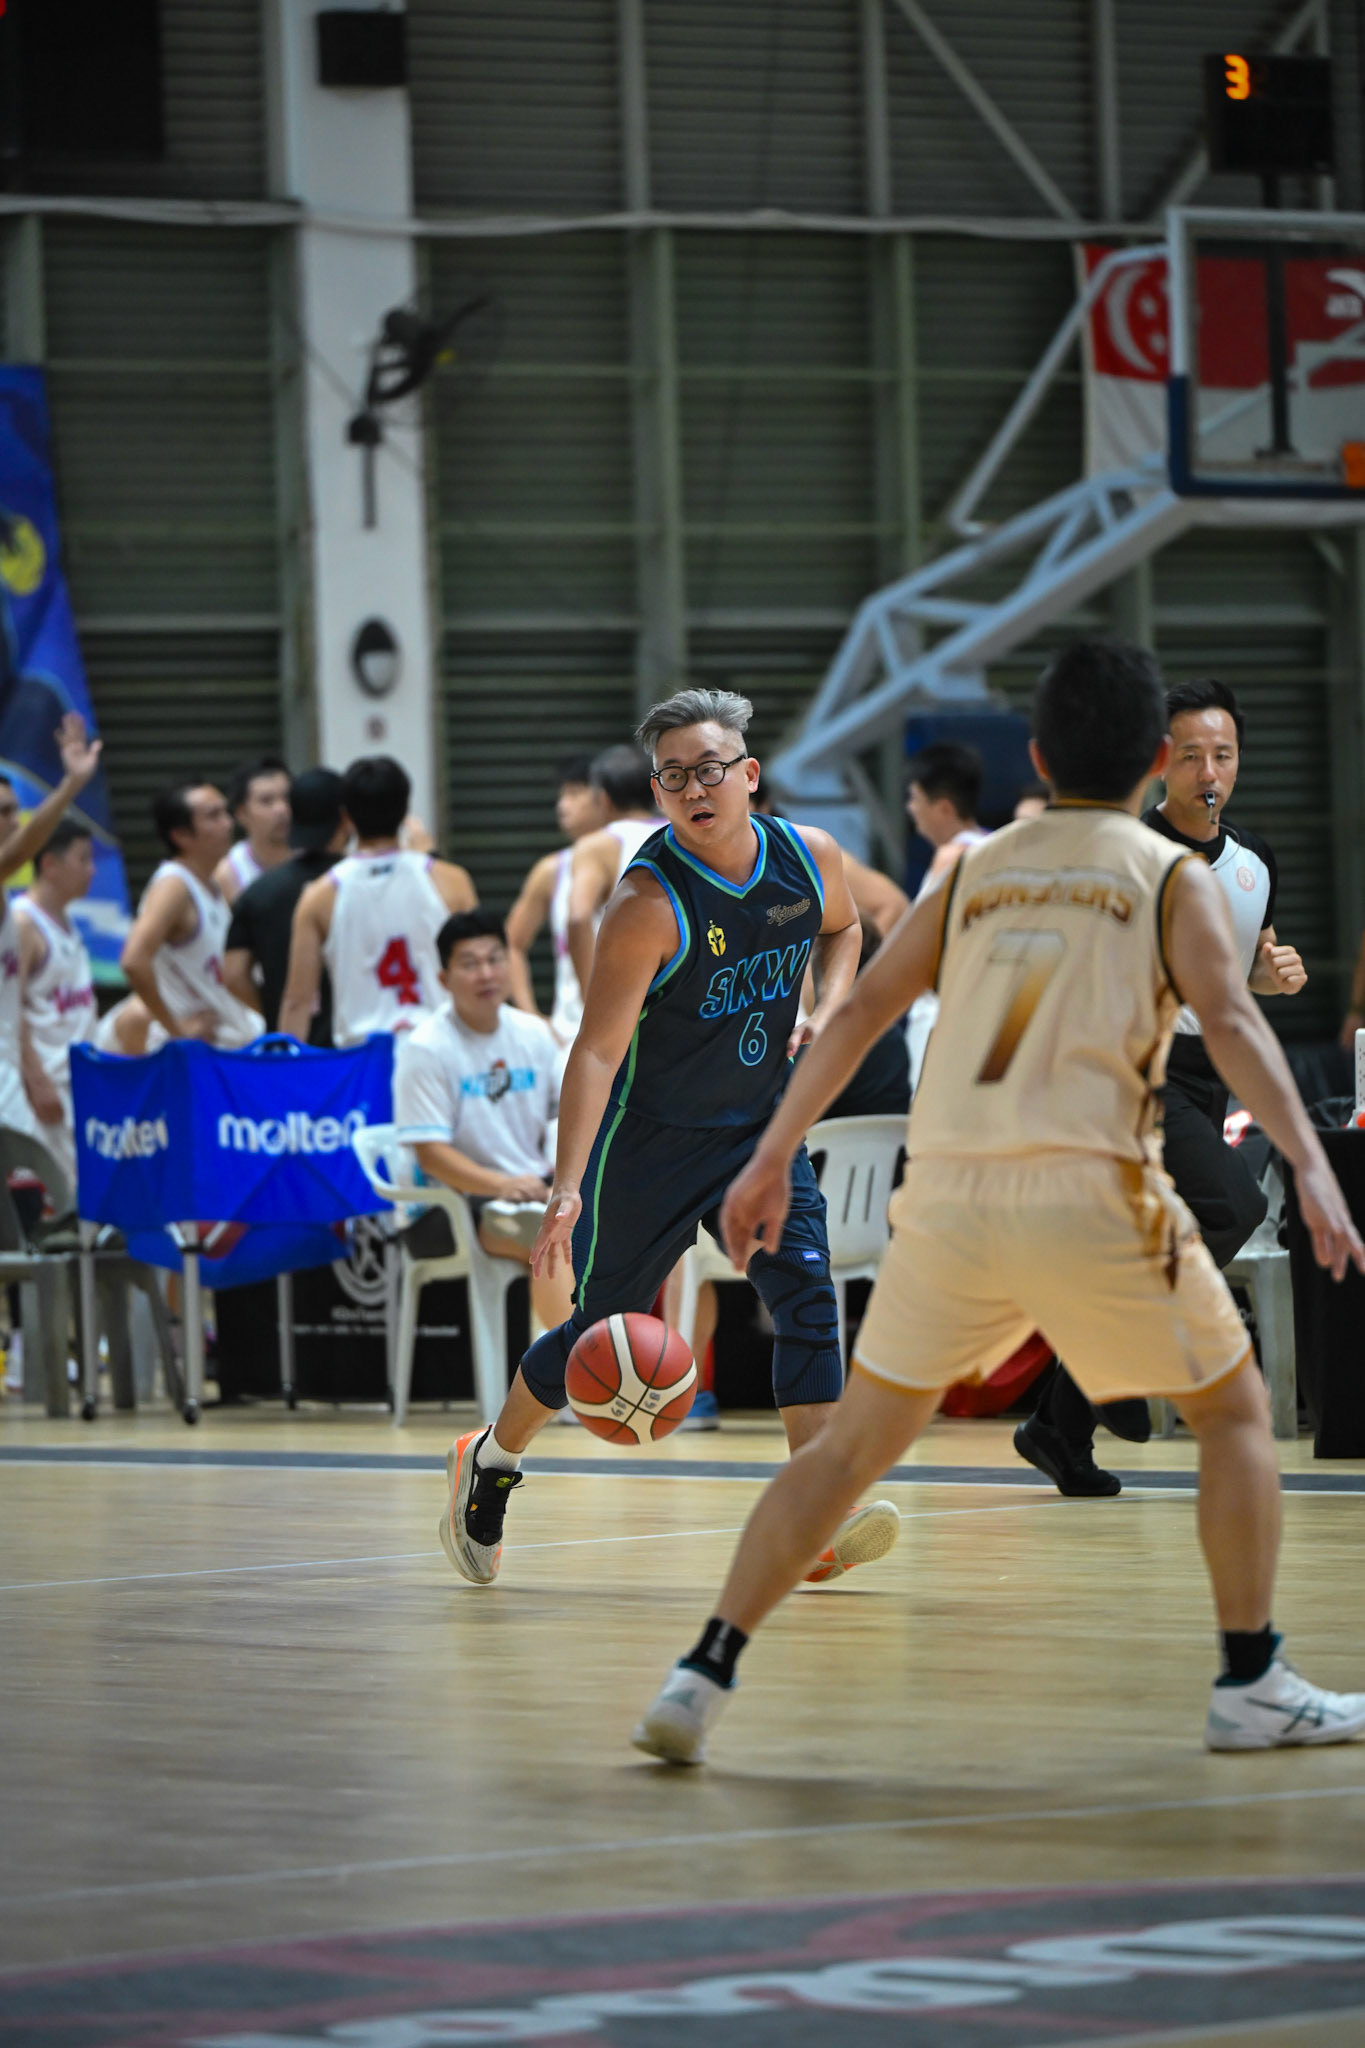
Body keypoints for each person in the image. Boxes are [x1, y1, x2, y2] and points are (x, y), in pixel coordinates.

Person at [633, 638, 1365, 1767]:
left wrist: (771, 1153)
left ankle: (701, 1673)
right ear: (1156, 760)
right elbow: (1230, 1024)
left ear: (1037, 756)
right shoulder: (1170, 876)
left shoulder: (974, 868)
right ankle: (1250, 1678)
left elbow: (860, 1010)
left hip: (952, 1198)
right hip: (1092, 1189)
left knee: (843, 1453)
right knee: (1235, 1414)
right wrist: (1312, 1165)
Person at [438, 686, 900, 1590]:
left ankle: (815, 1516)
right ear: (656, 792)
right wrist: (566, 1185)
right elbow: (595, 1052)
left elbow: (846, 931)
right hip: (648, 1144)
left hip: (759, 1131)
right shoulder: (646, 904)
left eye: (709, 770)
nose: (694, 788)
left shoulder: (810, 857)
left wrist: (829, 1005)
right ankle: (489, 1457)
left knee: (807, 1297)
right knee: (596, 1333)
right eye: (673, 776)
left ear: (748, 775)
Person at [1016, 676, 1303, 1498]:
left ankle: (1060, 1425)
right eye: (1190, 756)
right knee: (1232, 1209)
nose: (1208, 772)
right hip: (1132, 1071)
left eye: (1223, 755)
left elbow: (1239, 965)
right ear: (1157, 762)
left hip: (1209, 1073)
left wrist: (1271, 974)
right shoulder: (1125, 852)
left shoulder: (1255, 860)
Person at [395, 909, 573, 1335]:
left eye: (495, 959)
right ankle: (579, 1367)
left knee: (599, 1232)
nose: (486, 973)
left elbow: (563, 1121)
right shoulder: (425, 1048)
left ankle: (594, 1361)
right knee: (546, 1237)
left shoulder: (534, 1034)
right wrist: (502, 1185)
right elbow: (432, 1156)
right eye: (470, 964)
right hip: (446, 1205)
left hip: (531, 1192)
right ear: (444, 979)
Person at [278, 756, 476, 1048]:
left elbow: (298, 1001)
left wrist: (285, 1067)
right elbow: (479, 969)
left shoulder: (320, 895)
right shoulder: (451, 880)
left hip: (364, 1056)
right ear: (406, 810)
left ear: (345, 817)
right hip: (439, 1047)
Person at [0, 717, 102, 1152]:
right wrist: (71, 785)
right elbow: (21, 850)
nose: (15, 820)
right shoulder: (26, 917)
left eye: (14, 809)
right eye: (3, 812)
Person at [113, 783, 263, 1053]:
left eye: (225, 812)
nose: (228, 823)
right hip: (193, 1057)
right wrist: (177, 1030)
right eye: (213, 816)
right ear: (181, 835)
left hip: (225, 1049)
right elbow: (133, 961)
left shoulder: (211, 881)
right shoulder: (174, 886)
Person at [223, 769, 348, 1039]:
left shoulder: (258, 893)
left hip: (294, 1039)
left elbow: (233, 973)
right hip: (359, 1042)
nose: (278, 809)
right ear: (346, 818)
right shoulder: (359, 885)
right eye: (267, 800)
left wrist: (272, 1011)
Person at [904, 742, 990, 1091]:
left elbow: (917, 946)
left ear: (943, 808)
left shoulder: (951, 857)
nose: (910, 809)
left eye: (915, 799)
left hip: (942, 1015)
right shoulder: (996, 846)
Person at [15, 817, 96, 1185]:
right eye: (84, 859)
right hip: (46, 1085)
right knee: (59, 1196)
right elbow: (7, 1007)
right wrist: (36, 1079)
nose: (92, 870)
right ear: (49, 864)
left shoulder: (65, 919)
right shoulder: (23, 924)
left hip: (75, 1077)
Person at [503, 756, 603, 1052]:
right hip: (570, 1037)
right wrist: (531, 1018)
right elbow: (512, 943)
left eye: (574, 793)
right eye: (562, 795)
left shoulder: (639, 857)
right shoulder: (552, 870)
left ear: (604, 797)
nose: (562, 805)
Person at [564, 743, 662, 995]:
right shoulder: (680, 834)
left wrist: (590, 994)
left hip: (628, 988)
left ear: (603, 799)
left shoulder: (597, 846)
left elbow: (578, 917)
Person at [214, 756, 292, 907]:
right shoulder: (228, 873)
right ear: (241, 813)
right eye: (266, 801)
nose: (282, 809)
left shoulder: (315, 859)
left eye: (287, 798)